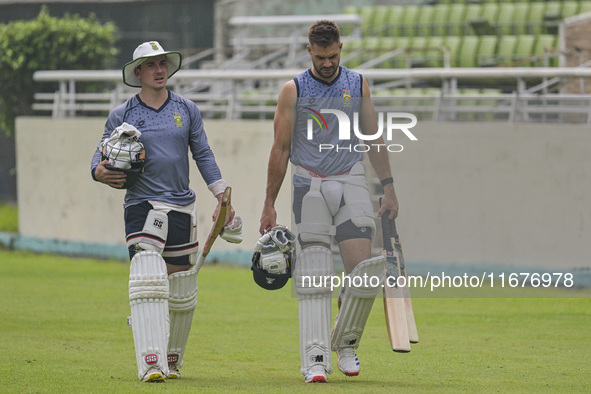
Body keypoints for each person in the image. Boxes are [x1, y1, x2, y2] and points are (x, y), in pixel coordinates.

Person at [259, 21, 399, 383]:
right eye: (320, 57)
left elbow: (373, 137)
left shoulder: (357, 83)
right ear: (309, 51)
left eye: (333, 56)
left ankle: (346, 341)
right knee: (316, 275)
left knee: (362, 274)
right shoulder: (293, 90)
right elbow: (280, 149)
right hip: (310, 185)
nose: (327, 63)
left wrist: (389, 186)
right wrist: (268, 203)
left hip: (350, 179)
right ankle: (315, 358)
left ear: (341, 47)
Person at [91, 41, 236, 382]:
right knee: (147, 276)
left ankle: (170, 359)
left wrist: (222, 197)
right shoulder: (122, 114)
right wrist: (98, 171)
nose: (159, 70)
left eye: (163, 64)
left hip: (182, 206)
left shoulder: (186, 109)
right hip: (142, 204)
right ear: (137, 72)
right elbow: (99, 156)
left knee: (176, 290)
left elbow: (203, 154)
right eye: (151, 65)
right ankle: (150, 362)